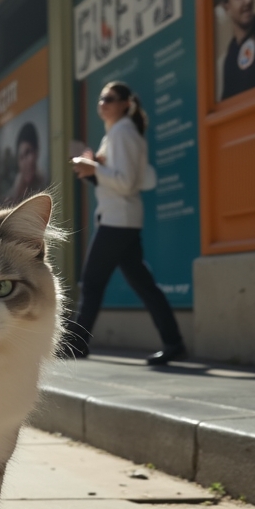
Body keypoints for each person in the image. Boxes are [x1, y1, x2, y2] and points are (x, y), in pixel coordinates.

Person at [63, 81, 186, 365]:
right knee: (143, 284)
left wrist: (94, 168)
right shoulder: (117, 134)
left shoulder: (123, 133)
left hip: (118, 220)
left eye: (110, 98)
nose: (103, 103)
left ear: (125, 104)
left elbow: (126, 183)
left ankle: (78, 344)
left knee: (93, 282)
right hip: (120, 219)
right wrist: (94, 171)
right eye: (101, 98)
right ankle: (174, 341)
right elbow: (117, 179)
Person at [3, 122, 48, 206]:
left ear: (36, 152)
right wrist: (16, 193)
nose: (24, 163)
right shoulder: (15, 190)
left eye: (27, 153)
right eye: (21, 157)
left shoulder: (45, 183)